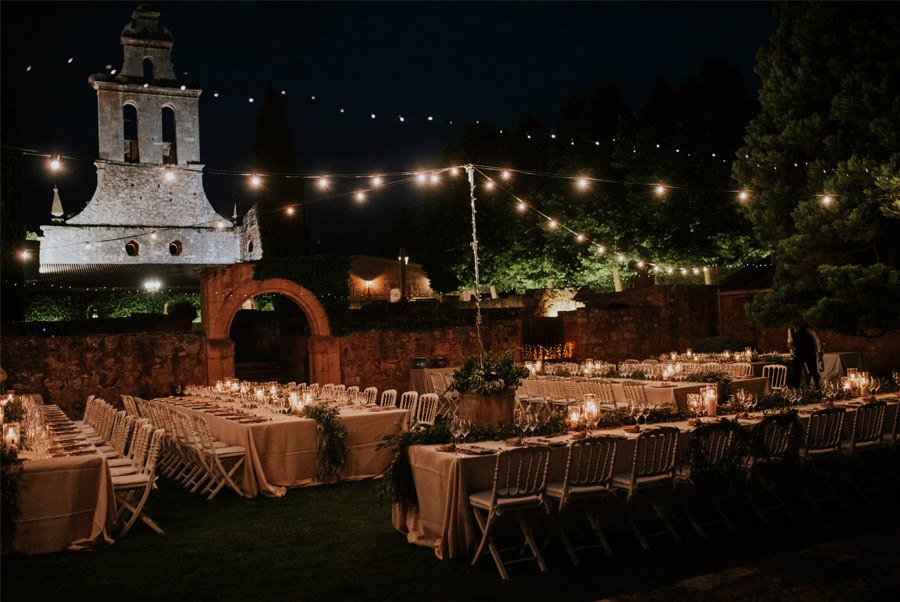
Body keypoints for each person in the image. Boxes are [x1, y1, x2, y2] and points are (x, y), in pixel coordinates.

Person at [787, 323, 823, 388]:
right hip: (798, 354)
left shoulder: (807, 328)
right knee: (796, 373)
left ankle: (819, 388)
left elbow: (818, 339)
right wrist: (792, 352)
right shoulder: (791, 329)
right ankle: (796, 391)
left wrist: (819, 351)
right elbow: (790, 341)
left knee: (813, 371)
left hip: (809, 352)